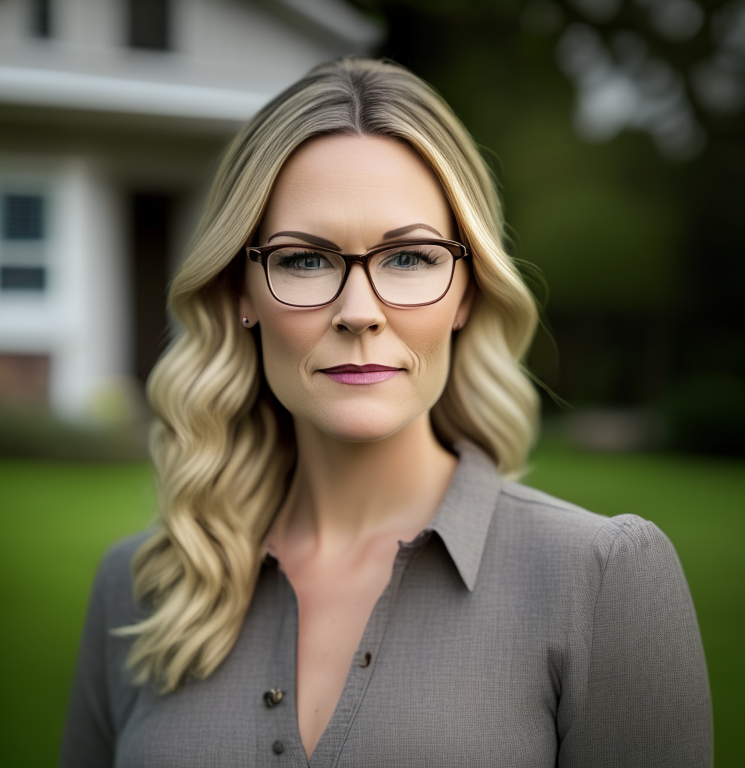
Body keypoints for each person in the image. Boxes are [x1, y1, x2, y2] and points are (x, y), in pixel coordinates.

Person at [60, 58, 712, 768]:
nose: (359, 313)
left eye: (408, 258)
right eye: (305, 260)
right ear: (240, 291)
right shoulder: (137, 588)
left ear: (467, 289)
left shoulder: (601, 580)